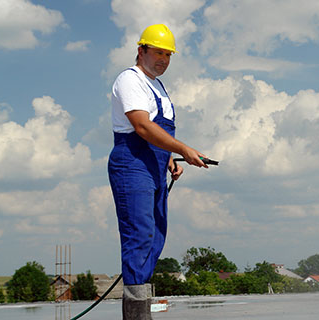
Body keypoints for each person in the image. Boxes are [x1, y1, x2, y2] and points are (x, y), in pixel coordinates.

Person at [108, 24, 207, 319]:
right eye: (158, 52)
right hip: (132, 164)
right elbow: (141, 126)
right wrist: (184, 149)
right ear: (141, 51)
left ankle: (142, 301)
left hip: (153, 165)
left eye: (168, 54)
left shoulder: (158, 87)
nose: (163, 59)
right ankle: (136, 311)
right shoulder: (131, 80)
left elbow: (155, 132)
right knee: (138, 234)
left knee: (155, 235)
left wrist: (168, 160)